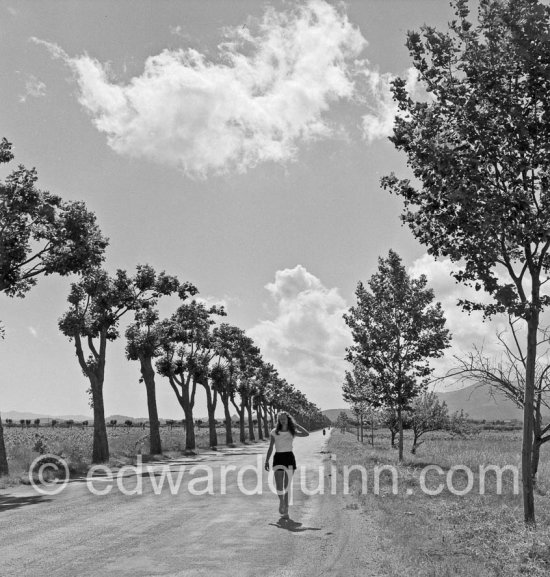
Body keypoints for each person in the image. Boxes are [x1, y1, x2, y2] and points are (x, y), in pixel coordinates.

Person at [265, 412, 309, 519]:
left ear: (288, 419)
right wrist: (267, 460)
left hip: (289, 458)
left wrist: (296, 425)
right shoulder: (274, 432)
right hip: (278, 458)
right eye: (280, 419)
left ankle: (286, 509)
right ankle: (282, 503)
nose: (282, 421)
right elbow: (271, 447)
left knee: (286, 486)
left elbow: (306, 433)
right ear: (278, 420)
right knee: (279, 486)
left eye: (284, 419)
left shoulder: (291, 431)